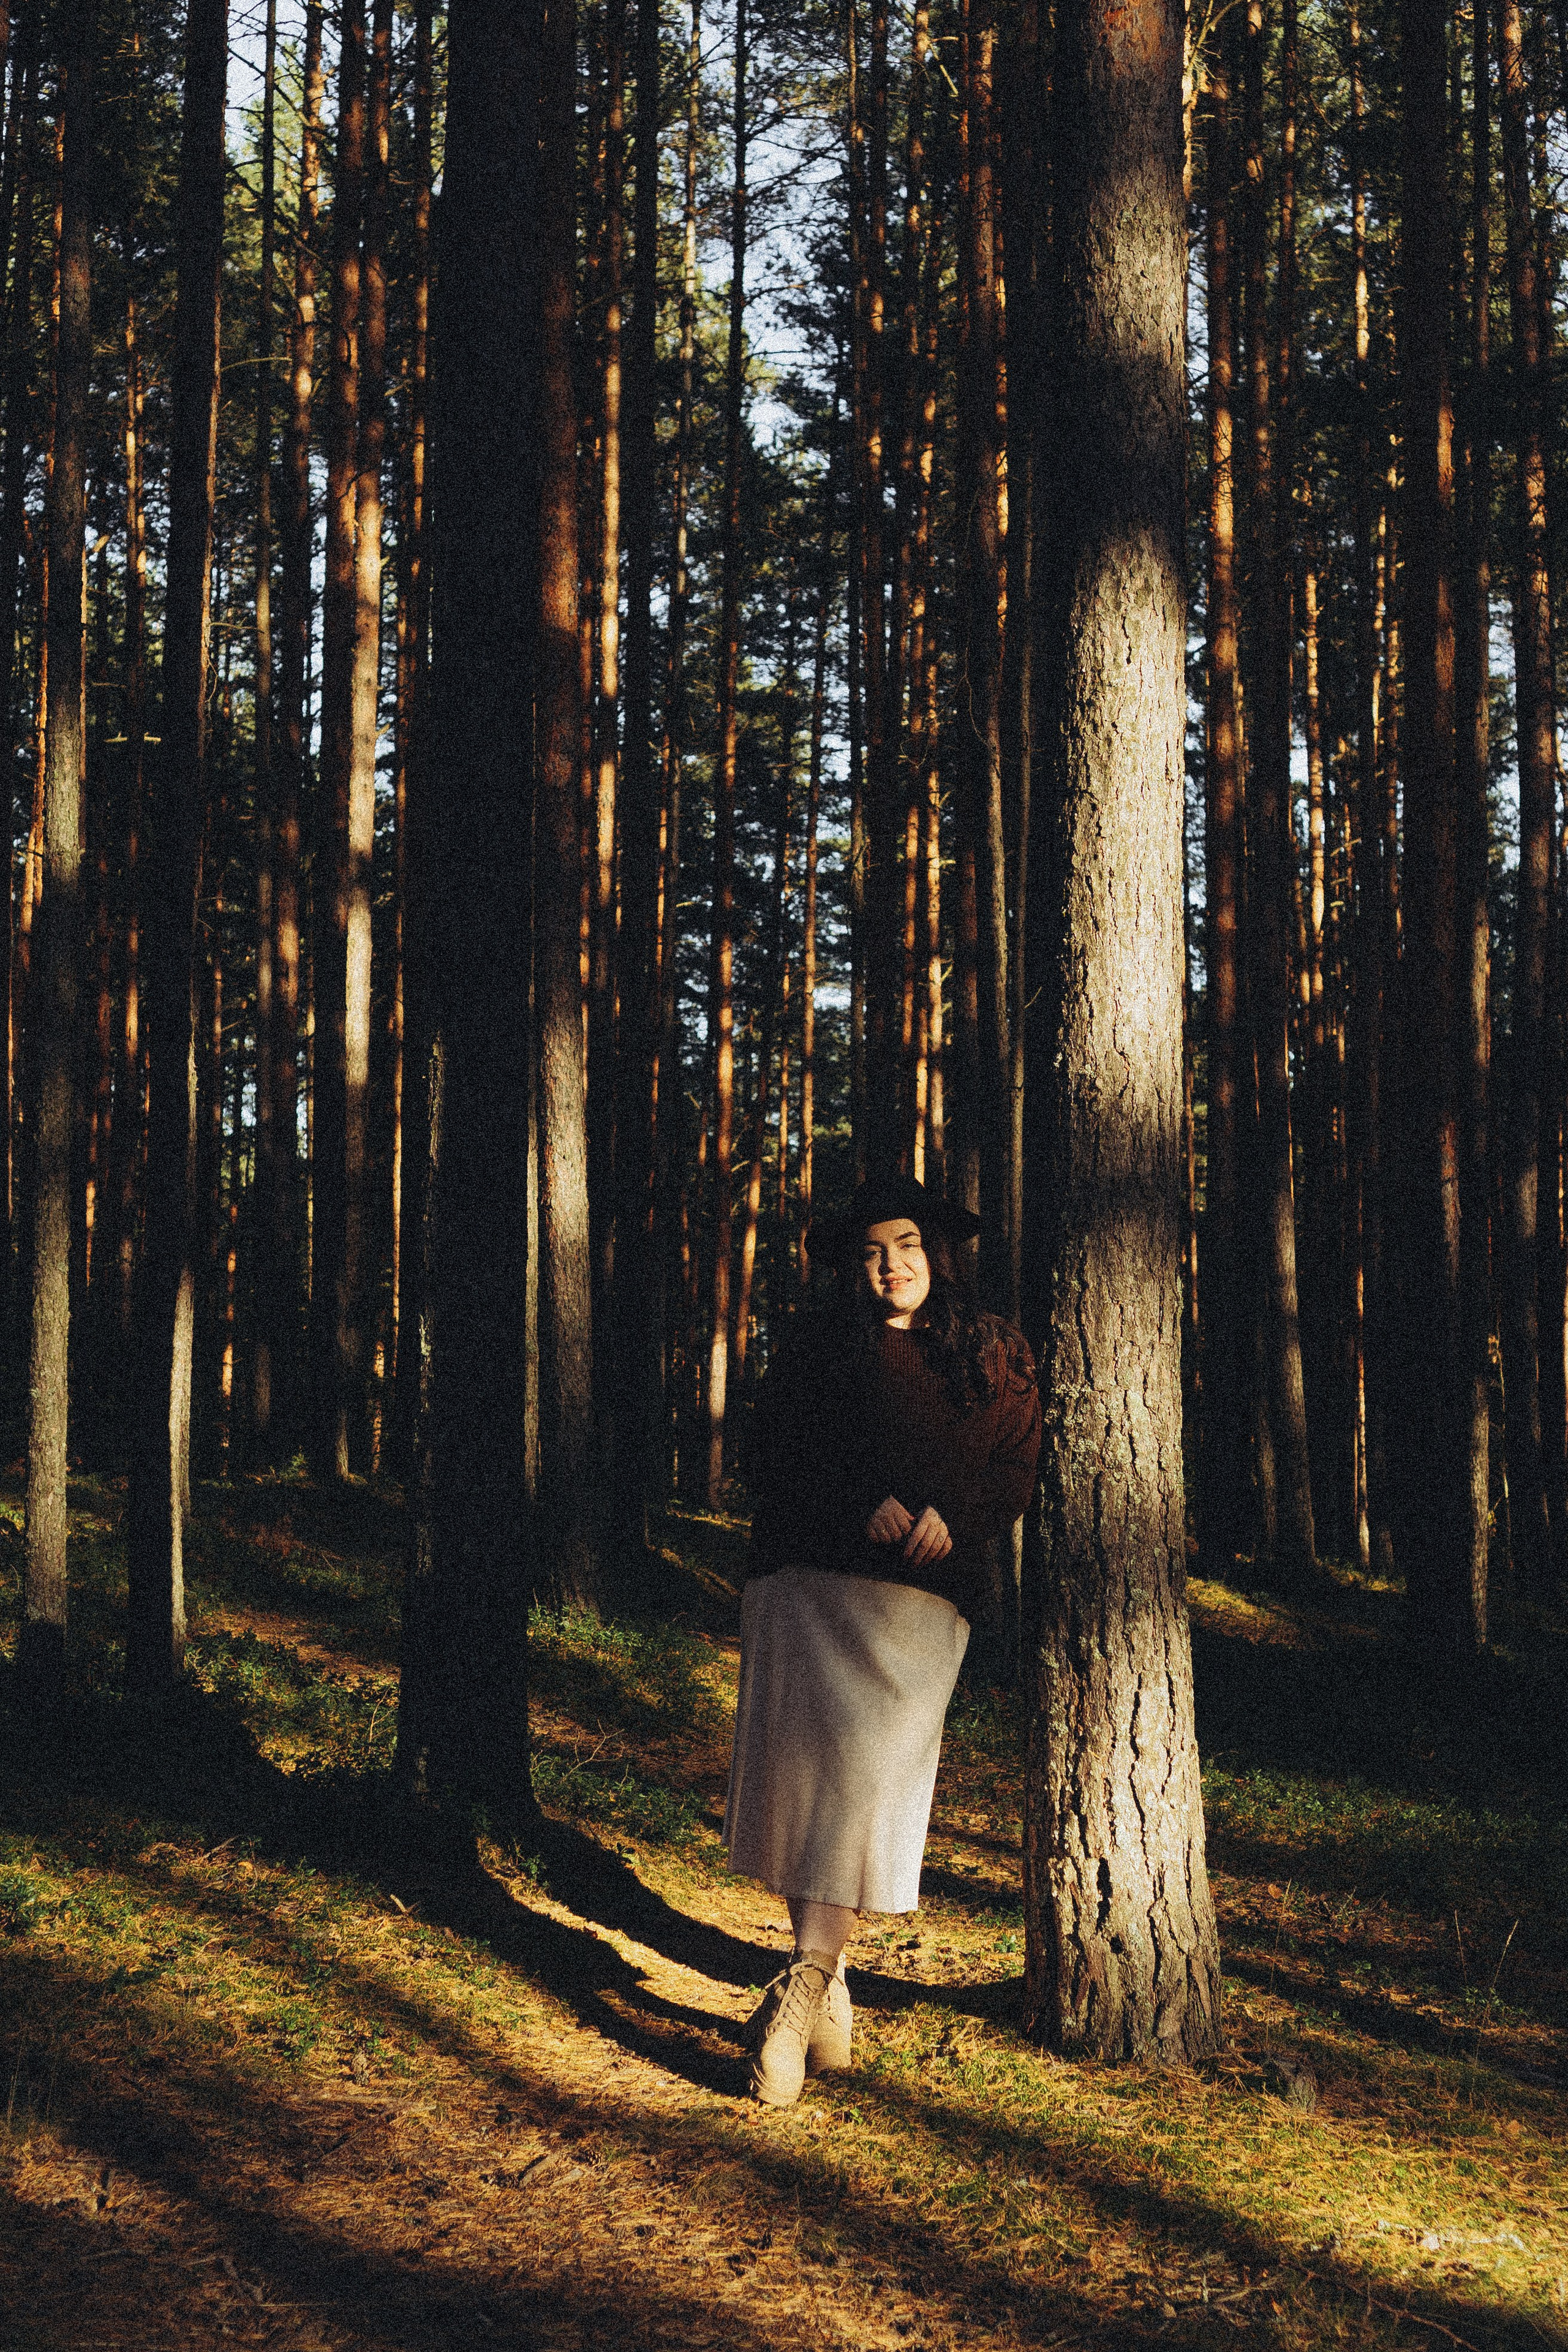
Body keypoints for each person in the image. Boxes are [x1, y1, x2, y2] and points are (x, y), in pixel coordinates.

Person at [723, 1171, 1042, 2105]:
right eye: (870, 1252)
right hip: (807, 1586)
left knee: (863, 1797)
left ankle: (799, 1993)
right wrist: (854, 1503)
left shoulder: (997, 1356)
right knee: (808, 1794)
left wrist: (959, 1518)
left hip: (919, 1607)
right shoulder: (819, 1349)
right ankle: (821, 1993)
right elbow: (770, 1454)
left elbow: (1018, 1468)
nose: (890, 1265)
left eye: (905, 1245)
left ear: (937, 1254)